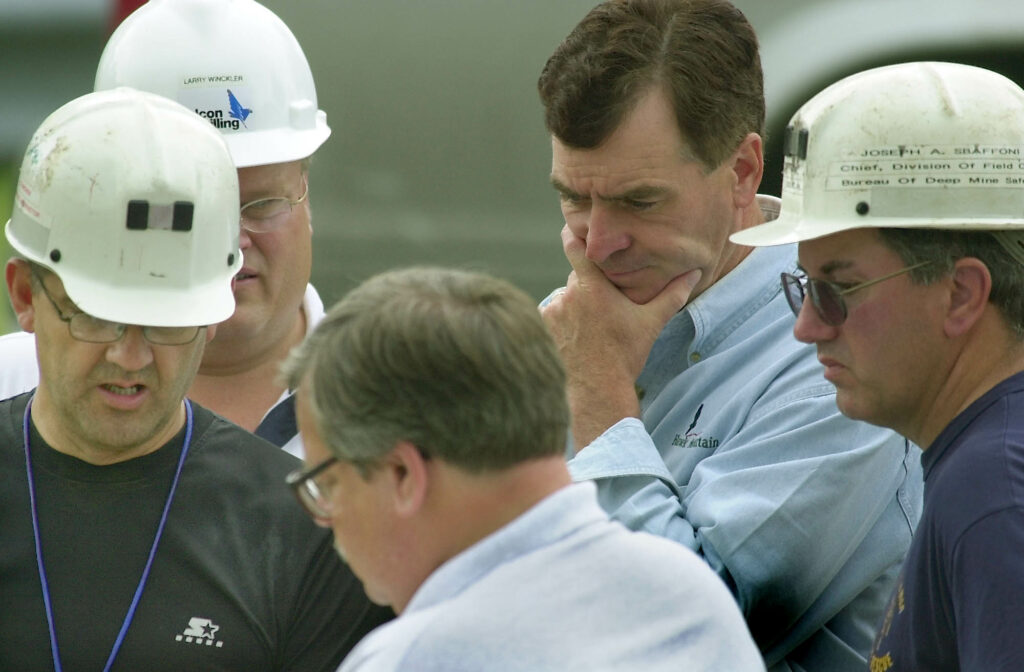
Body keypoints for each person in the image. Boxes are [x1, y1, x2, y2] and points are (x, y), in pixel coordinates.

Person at [535, 1, 922, 669]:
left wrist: (597, 399)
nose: (596, 243)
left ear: (743, 171)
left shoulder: (835, 353)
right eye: (574, 197)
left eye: (640, 201)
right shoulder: (579, 321)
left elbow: (687, 637)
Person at [0, 88, 390, 671]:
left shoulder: (305, 536)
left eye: (167, 323)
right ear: (26, 297)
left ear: (212, 317)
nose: (131, 358)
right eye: (99, 318)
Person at [280, 265, 766, 672]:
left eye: (326, 482)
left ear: (403, 475)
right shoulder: (691, 593)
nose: (324, 517)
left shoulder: (410, 659)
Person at [732, 61, 1024, 672]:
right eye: (801, 286)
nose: (806, 326)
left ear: (962, 293)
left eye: (838, 290)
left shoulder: (993, 494)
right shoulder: (984, 464)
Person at [0, 0, 328, 456]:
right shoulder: (11, 382)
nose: (229, 242)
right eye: (194, 211)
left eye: (261, 204)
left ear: (305, 191)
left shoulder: (401, 408)